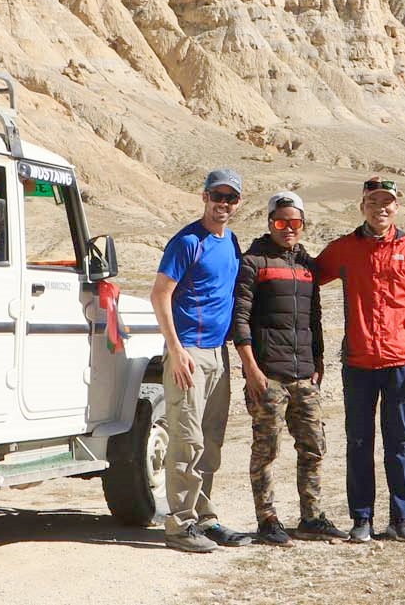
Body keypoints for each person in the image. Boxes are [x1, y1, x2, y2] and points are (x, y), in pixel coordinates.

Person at [314, 176, 405, 544]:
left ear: (396, 207)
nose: (380, 208)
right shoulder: (345, 249)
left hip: (400, 360)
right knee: (358, 442)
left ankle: (401, 519)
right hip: (358, 363)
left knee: (400, 443)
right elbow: (307, 277)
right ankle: (362, 518)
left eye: (387, 202)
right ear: (362, 207)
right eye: (373, 202)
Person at [232, 190, 350, 545]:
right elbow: (240, 320)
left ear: (302, 225)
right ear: (270, 223)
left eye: (295, 222)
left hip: (304, 376)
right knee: (266, 450)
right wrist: (252, 369)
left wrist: (318, 362)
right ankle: (267, 519)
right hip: (268, 375)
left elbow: (314, 318)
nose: (288, 228)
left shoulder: (307, 266)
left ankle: (311, 518)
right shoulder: (253, 262)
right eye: (281, 222)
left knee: (313, 447)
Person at [151, 168, 254, 553]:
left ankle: (204, 518)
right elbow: (160, 294)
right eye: (217, 196)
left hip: (217, 353)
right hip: (188, 352)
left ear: (238, 203)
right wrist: (175, 350)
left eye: (230, 198)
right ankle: (179, 525)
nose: (223, 204)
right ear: (204, 196)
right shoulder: (186, 241)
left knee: (211, 440)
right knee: (187, 439)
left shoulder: (230, 242)